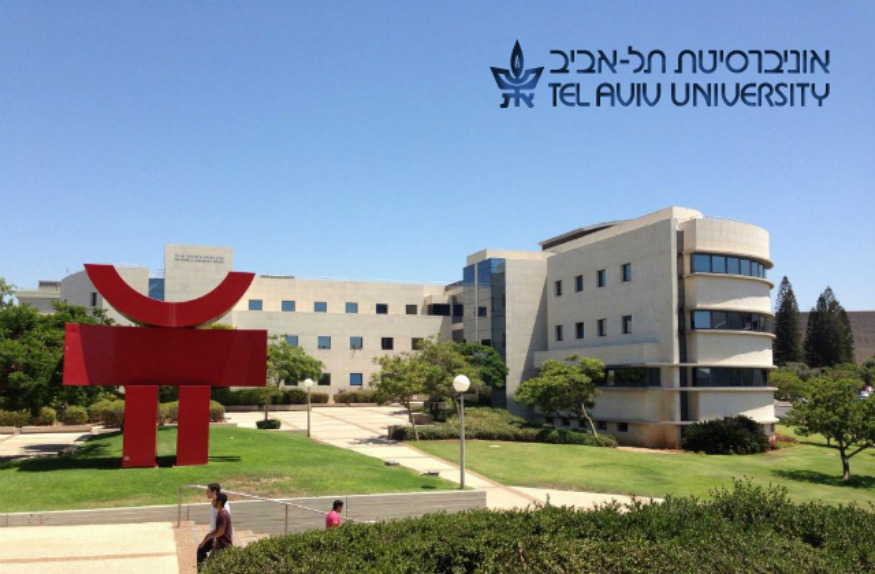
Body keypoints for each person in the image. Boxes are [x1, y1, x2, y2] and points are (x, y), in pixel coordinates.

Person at [197, 484, 232, 566]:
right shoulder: (216, 505)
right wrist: (207, 538)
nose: (206, 493)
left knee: (212, 563)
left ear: (214, 492)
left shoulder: (223, 511)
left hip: (220, 540)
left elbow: (222, 530)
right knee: (202, 551)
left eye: (208, 491)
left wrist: (214, 539)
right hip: (214, 535)